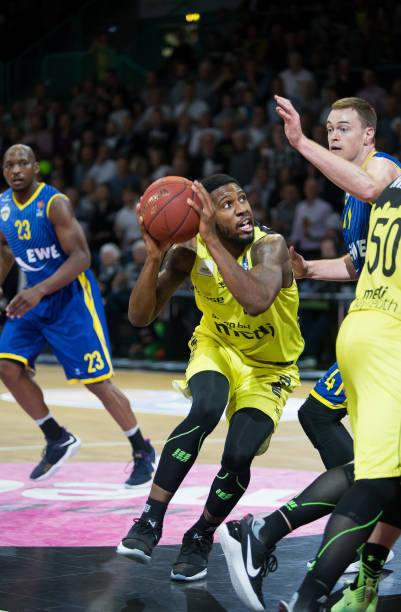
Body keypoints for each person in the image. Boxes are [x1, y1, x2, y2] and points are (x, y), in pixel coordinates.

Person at [218, 97, 401, 611]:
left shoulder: (382, 174)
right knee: (378, 474)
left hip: (367, 326)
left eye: (344, 128)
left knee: (364, 453)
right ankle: (312, 562)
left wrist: (310, 269)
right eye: (329, 128)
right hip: (387, 334)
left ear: (369, 136)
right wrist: (299, 142)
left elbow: (361, 258)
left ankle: (358, 572)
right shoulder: (367, 185)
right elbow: (363, 239)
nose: (334, 135)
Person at [116, 173, 304, 581]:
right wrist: (154, 257)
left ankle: (200, 535)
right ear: (206, 216)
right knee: (205, 407)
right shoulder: (188, 252)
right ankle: (149, 520)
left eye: (242, 198)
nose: (242, 209)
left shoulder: (270, 247)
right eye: (227, 204)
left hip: (270, 367)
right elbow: (139, 316)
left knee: (238, 454)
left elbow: (256, 301)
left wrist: (211, 242)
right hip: (217, 346)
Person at [0, 144, 156, 487]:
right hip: (35, 299)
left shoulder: (54, 203)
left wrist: (39, 290)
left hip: (71, 300)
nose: (16, 169)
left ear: (35, 168)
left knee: (97, 383)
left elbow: (82, 257)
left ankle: (142, 449)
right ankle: (56, 437)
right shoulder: (3, 207)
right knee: (7, 367)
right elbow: (4, 249)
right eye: (9, 164)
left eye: (23, 162)